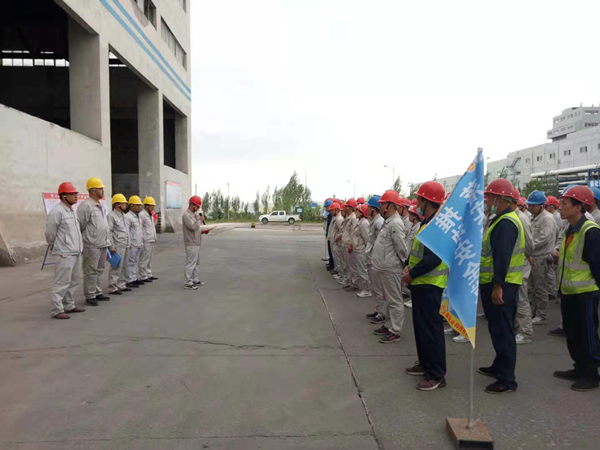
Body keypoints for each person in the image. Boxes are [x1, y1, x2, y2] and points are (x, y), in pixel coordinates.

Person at [479, 178, 525, 394]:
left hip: (501, 286)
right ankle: (499, 366)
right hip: (496, 284)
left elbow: (502, 257)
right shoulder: (500, 220)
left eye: (489, 198)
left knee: (503, 331)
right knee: (497, 329)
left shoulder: (506, 223)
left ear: (499, 199)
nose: (487, 202)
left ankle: (507, 379)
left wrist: (498, 286)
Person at [553, 185, 600, 391]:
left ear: (579, 207)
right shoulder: (570, 229)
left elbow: (597, 265)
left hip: (585, 294)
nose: (560, 207)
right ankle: (579, 367)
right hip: (569, 292)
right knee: (572, 334)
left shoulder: (591, 232)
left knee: (587, 335)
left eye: (564, 204)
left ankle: (591, 374)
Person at [402, 181, 448, 391]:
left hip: (430, 285)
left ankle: (436, 374)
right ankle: (424, 363)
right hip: (421, 284)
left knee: (431, 330)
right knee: (421, 329)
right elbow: (417, 252)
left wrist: (411, 274)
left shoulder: (437, 226)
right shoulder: (427, 223)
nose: (417, 203)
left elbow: (433, 259)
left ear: (428, 202)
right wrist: (407, 266)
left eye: (419, 199)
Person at [371, 190, 408, 344]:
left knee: (394, 300)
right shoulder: (388, 222)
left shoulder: (396, 223)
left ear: (390, 205)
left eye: (383, 204)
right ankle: (388, 325)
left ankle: (395, 330)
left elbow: (401, 248)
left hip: (391, 268)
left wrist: (405, 265)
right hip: (383, 267)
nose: (380, 207)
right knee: (388, 298)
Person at [45, 182, 86, 319]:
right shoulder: (57, 212)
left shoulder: (72, 211)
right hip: (64, 253)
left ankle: (68, 305)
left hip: (75, 252)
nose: (75, 196)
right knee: (61, 282)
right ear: (63, 196)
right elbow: (50, 233)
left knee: (74, 281)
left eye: (76, 194)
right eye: (72, 194)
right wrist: (54, 245)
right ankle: (57, 309)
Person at [78, 177, 114, 307]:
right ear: (93, 190)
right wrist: (87, 239)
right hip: (91, 244)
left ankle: (97, 291)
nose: (103, 190)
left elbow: (104, 225)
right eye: (100, 188)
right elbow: (80, 225)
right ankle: (90, 295)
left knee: (99, 269)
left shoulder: (101, 205)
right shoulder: (86, 206)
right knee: (90, 270)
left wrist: (108, 242)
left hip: (102, 243)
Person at [526, 190, 556, 325]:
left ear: (542, 205)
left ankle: (542, 315)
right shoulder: (533, 217)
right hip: (532, 256)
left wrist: (528, 247)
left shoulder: (547, 218)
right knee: (531, 288)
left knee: (540, 288)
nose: (530, 207)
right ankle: (533, 311)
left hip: (541, 257)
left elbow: (544, 238)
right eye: (529, 205)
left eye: (533, 205)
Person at [512, 189, 535, 344]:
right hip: (515, 265)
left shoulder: (521, 218)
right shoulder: (513, 216)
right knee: (515, 297)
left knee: (521, 297)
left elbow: (529, 243)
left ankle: (526, 332)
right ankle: (518, 327)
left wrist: (528, 255)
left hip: (520, 264)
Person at [365, 196, 386, 323]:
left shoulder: (379, 222)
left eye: (368, 207)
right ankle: (378, 309)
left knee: (379, 289)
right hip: (372, 258)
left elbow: (380, 244)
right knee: (375, 287)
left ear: (374, 209)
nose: (366, 209)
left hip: (377, 259)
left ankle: (382, 313)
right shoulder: (374, 221)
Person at [183, 196, 209, 290]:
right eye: (197, 206)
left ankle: (194, 279)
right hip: (191, 243)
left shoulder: (194, 215)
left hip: (196, 243)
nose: (198, 209)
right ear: (192, 205)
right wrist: (200, 220)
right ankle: (188, 282)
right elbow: (192, 227)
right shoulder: (186, 215)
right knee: (190, 263)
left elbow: (196, 229)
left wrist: (203, 231)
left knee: (195, 263)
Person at [107, 194, 131, 296]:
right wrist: (111, 246)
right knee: (116, 266)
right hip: (117, 245)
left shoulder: (123, 216)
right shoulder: (111, 216)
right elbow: (109, 231)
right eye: (123, 203)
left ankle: (121, 284)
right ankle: (112, 287)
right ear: (117, 204)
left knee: (124, 265)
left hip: (125, 244)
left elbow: (126, 231)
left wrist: (129, 242)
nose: (125, 205)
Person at [353, 204, 371, 298]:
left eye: (357, 211)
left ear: (361, 213)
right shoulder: (360, 222)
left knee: (363, 270)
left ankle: (367, 290)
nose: (355, 212)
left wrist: (366, 251)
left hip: (361, 250)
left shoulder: (364, 223)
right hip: (358, 249)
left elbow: (366, 239)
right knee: (360, 270)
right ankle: (364, 288)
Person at [125, 195, 144, 288]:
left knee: (135, 261)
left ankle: (134, 278)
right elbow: (127, 231)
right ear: (131, 205)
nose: (139, 207)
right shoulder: (128, 217)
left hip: (138, 242)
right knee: (130, 262)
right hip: (132, 243)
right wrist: (129, 242)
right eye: (137, 205)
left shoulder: (138, 216)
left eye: (139, 205)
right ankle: (129, 279)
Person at [139, 197, 158, 283]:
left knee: (149, 258)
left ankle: (148, 273)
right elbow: (140, 228)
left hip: (151, 238)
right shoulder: (142, 215)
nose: (153, 207)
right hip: (145, 239)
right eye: (152, 206)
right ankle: (143, 275)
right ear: (146, 206)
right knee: (144, 258)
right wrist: (141, 239)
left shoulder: (150, 214)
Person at [328, 202, 344, 279]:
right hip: (334, 241)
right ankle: (338, 271)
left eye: (332, 210)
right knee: (336, 258)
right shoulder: (335, 218)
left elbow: (342, 231)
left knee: (338, 259)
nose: (331, 212)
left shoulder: (339, 219)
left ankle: (340, 273)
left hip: (337, 243)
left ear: (337, 210)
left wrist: (337, 237)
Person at [323, 199, 334, 270]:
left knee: (332, 252)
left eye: (327, 206)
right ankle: (331, 263)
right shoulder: (330, 215)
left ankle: (332, 265)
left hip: (332, 236)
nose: (326, 208)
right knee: (330, 250)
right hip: (329, 235)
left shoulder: (333, 216)